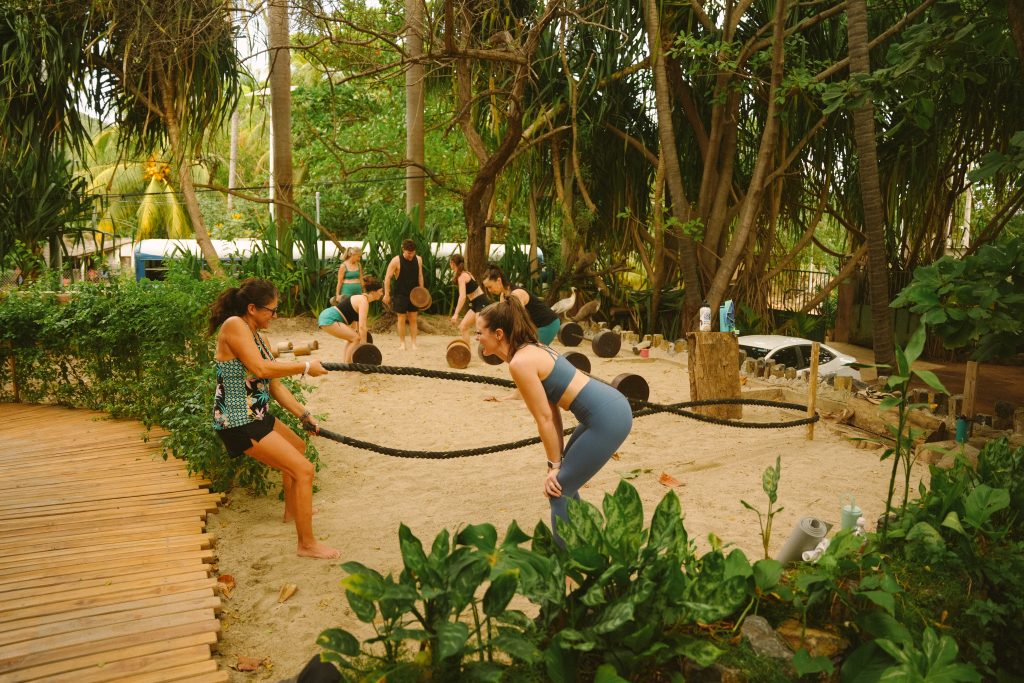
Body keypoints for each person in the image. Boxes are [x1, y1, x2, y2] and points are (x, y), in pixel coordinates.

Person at [475, 297, 632, 546]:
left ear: (498, 333)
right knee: (565, 485)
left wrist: (554, 468)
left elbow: (545, 419)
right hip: (608, 409)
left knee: (557, 491)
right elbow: (553, 414)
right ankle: (584, 551)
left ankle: (568, 572)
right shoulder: (531, 348)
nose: (477, 338)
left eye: (479, 332)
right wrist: (555, 464)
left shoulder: (520, 362)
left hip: (607, 417)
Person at [209, 278, 339, 560]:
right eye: (272, 310)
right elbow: (260, 368)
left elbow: (275, 386)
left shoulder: (258, 335)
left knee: (298, 448)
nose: (275, 315)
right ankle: (306, 544)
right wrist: (305, 366)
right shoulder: (234, 325)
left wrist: (304, 415)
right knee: (304, 471)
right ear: (252, 308)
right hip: (238, 421)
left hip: (258, 414)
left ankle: (292, 511)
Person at [481, 265, 561, 344]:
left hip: (548, 323)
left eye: (490, 287)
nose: (489, 291)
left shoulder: (517, 294)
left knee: (533, 352)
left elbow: (518, 320)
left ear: (499, 281)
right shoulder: (503, 296)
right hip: (537, 326)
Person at [318, 276, 384, 362]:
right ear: (373, 292)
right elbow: (362, 328)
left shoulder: (362, 299)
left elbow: (355, 327)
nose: (382, 294)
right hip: (329, 318)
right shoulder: (363, 301)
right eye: (381, 291)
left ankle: (346, 364)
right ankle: (347, 366)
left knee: (352, 338)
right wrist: (364, 347)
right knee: (356, 338)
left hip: (327, 317)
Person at [383, 239, 425, 350]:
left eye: (412, 253)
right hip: (400, 294)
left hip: (414, 293)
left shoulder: (419, 260)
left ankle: (414, 343)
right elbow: (387, 278)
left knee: (413, 318)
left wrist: (422, 290)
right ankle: (402, 343)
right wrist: (386, 294)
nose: (410, 255)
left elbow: (420, 275)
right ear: (403, 250)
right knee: (401, 318)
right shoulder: (396, 261)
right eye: (408, 253)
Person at [449, 254, 490, 343]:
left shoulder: (462, 276)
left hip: (481, 302)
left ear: (452, 263)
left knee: (481, 331)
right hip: (475, 303)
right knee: (463, 327)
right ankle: (468, 353)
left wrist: (456, 314)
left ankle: (490, 353)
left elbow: (462, 296)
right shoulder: (465, 274)